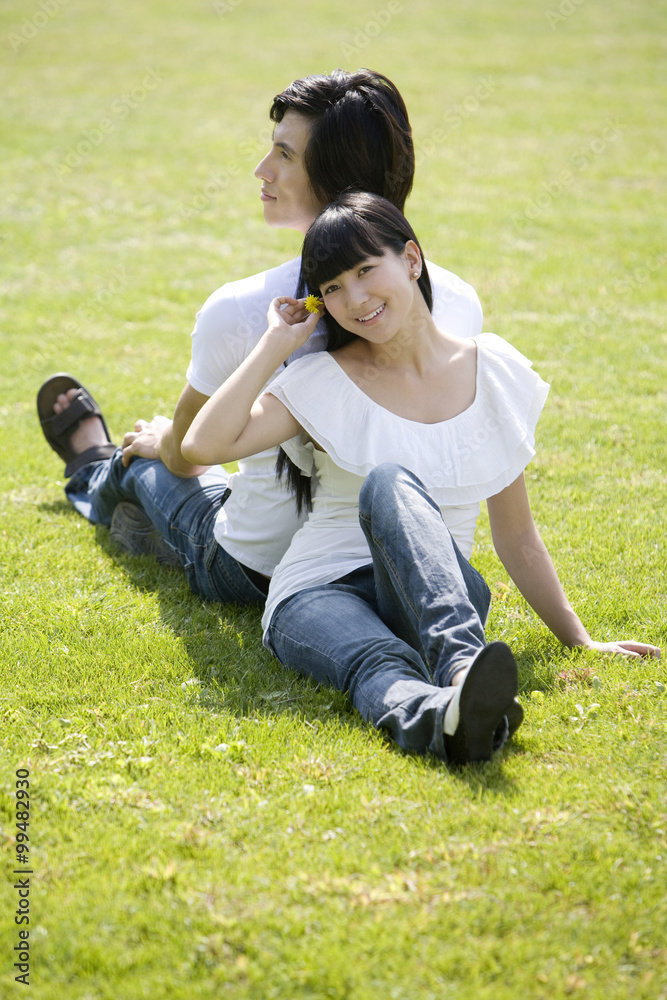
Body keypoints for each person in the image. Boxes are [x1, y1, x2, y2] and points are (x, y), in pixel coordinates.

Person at [181, 192, 660, 764]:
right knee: (374, 662)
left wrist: (579, 641)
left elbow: (518, 537)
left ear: (411, 258)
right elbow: (201, 445)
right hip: (318, 589)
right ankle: (443, 716)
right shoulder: (320, 378)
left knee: (389, 482)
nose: (354, 299)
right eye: (332, 287)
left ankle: (461, 666)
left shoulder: (493, 370)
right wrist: (275, 343)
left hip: (437, 597)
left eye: (365, 270)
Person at [37, 68, 483, 607]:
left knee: (150, 459)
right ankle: (111, 472)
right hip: (392, 569)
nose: (261, 169)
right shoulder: (455, 299)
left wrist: (166, 444)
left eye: (285, 155)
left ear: (337, 177)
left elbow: (187, 459)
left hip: (256, 569)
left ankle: (94, 465)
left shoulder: (244, 310)